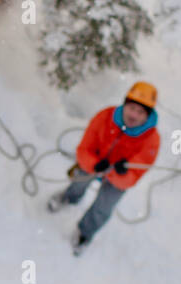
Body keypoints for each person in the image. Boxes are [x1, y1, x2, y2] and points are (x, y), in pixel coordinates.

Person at [48, 81, 160, 254]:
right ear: (124, 105)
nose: (134, 115)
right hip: (96, 162)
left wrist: (121, 173)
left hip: (117, 176)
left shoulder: (151, 139)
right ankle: (69, 198)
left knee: (104, 205)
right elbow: (84, 149)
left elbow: (135, 175)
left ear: (147, 116)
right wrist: (93, 164)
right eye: (132, 108)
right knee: (79, 180)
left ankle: (85, 232)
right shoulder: (104, 117)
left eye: (140, 112)